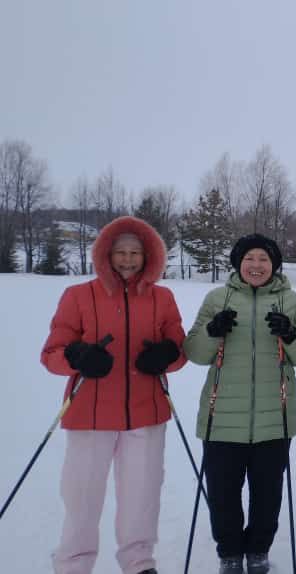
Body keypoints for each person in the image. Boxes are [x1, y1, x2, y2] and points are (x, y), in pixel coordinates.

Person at [40, 215, 187, 574]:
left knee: (142, 497)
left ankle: (139, 563)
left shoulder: (162, 298)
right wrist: (77, 356)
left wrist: (166, 354)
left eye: (135, 252)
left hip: (146, 414)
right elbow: (51, 355)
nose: (127, 259)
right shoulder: (78, 296)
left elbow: (180, 349)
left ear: (148, 255)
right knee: (82, 498)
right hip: (89, 414)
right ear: (105, 254)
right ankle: (73, 563)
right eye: (120, 252)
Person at [183, 233, 296, 574]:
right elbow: (195, 353)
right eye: (249, 259)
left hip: (276, 418)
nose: (256, 265)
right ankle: (229, 553)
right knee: (223, 495)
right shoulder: (217, 298)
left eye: (263, 259)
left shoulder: (292, 300)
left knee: (267, 496)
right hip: (221, 417)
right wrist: (213, 331)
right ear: (238, 263)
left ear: (274, 265)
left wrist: (291, 334)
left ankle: (258, 550)